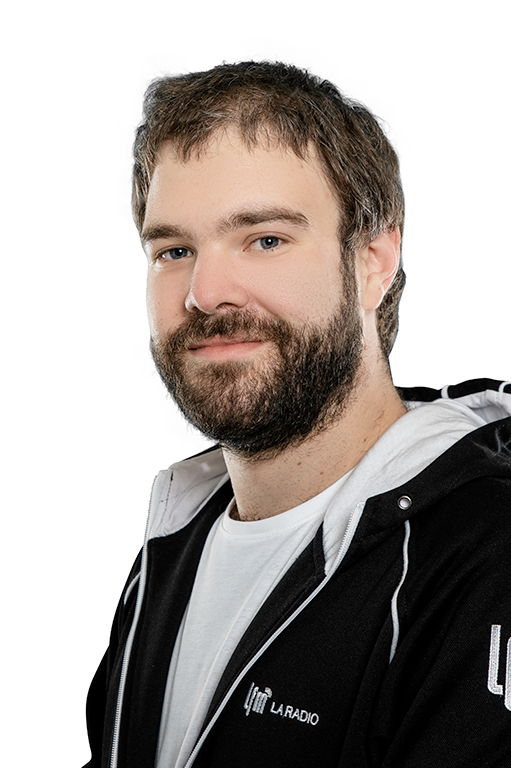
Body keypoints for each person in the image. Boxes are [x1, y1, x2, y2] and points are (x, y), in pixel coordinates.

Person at [83, 62, 511, 768]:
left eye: (265, 239)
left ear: (373, 262)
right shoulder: (176, 539)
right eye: (175, 250)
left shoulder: (483, 554)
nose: (204, 292)